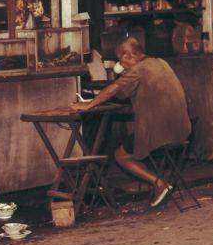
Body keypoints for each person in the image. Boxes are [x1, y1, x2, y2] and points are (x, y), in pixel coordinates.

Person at [72, 36, 191, 207]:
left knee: (121, 155)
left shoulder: (139, 69)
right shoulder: (160, 62)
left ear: (128, 56)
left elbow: (114, 89)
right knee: (132, 141)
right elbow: (124, 92)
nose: (121, 63)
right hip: (182, 128)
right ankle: (161, 183)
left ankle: (159, 183)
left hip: (160, 130)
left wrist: (89, 104)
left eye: (121, 59)